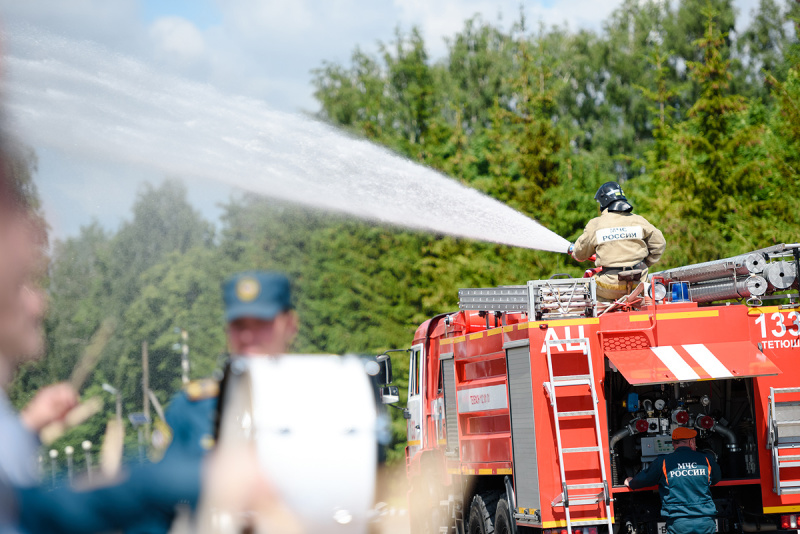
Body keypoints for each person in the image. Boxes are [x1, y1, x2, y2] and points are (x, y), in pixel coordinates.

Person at [16, 270, 298, 533]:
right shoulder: (192, 408)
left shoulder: (323, 404)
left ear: (290, 325)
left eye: (262, 324)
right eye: (239, 325)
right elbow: (159, 509)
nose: (248, 336)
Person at [570, 181, 666, 301]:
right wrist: (646, 263)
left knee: (587, 287)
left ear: (604, 202)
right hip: (639, 283)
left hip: (609, 286)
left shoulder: (596, 224)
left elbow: (580, 254)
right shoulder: (639, 220)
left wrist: (573, 251)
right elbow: (659, 243)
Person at [625, 427, 721, 534]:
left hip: (679, 523)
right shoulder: (706, 459)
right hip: (705, 521)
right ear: (691, 442)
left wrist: (630, 482)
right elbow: (716, 479)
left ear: (673, 444)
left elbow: (643, 480)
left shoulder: (664, 462)